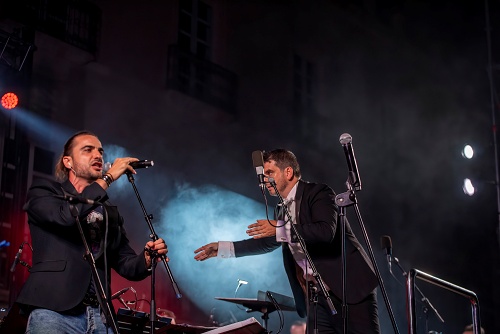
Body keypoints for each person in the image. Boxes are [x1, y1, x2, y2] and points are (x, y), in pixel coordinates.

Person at [194, 149, 380, 333]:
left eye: (270, 173)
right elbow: (266, 243)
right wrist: (222, 248)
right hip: (317, 296)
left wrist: (280, 228)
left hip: (349, 288)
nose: (264, 179)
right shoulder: (280, 210)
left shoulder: (319, 193)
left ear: (288, 172)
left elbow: (325, 232)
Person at [15, 130, 168, 333]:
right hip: (54, 312)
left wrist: (147, 257)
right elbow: (67, 217)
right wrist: (108, 178)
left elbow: (125, 263)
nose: (97, 155)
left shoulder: (107, 211)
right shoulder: (45, 192)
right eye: (88, 150)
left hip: (100, 317)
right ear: (68, 162)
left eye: (100, 151)